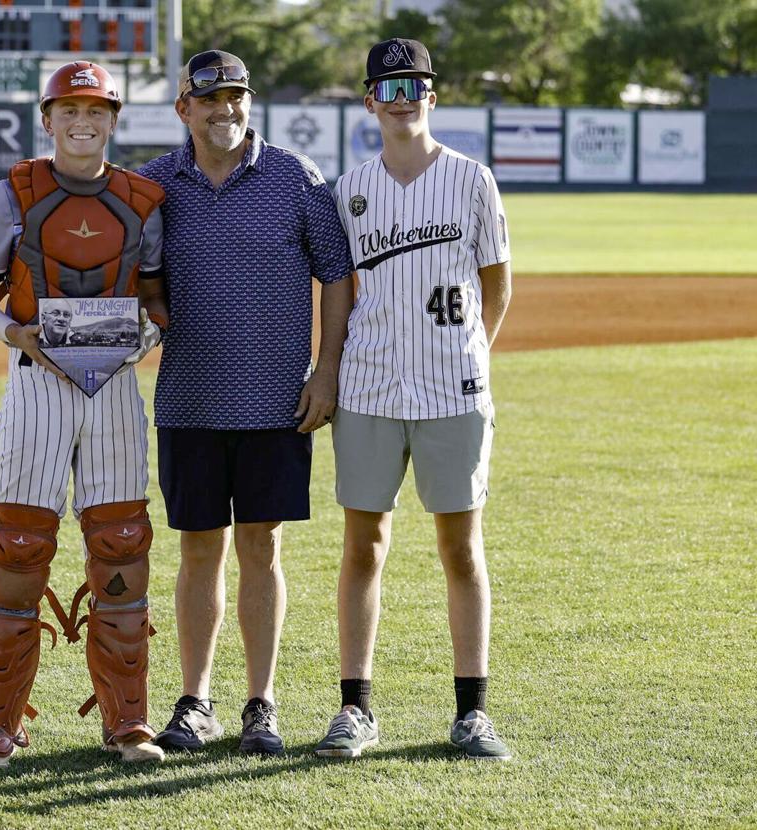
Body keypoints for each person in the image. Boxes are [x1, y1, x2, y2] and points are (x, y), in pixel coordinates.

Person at [136, 50, 355, 756]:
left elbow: (337, 275)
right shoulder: (155, 185)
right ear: (184, 110)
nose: (224, 109)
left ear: (248, 103)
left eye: (235, 97)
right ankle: (195, 702)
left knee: (262, 547)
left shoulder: (295, 177)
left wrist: (326, 373)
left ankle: (260, 704)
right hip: (190, 400)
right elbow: (136, 278)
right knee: (199, 550)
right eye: (209, 100)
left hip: (276, 403)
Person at [0, 60, 169, 768]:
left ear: (114, 120)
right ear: (47, 119)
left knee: (121, 544)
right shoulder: (14, 192)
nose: (83, 122)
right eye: (69, 110)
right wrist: (14, 333)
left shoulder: (144, 199)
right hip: (35, 380)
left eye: (97, 110)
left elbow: (157, 300)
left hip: (112, 385)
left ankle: (127, 719)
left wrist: (145, 335)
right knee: (17, 545)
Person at [314, 38, 513, 761]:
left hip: (452, 387)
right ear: (370, 100)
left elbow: (496, 286)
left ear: (433, 95)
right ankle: (355, 708)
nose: (402, 97)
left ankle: (472, 713)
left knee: (460, 547)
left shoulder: (471, 181)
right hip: (369, 386)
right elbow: (338, 294)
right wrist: (328, 369)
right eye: (388, 86)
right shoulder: (349, 191)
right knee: (363, 543)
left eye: (415, 84)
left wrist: (467, 354)